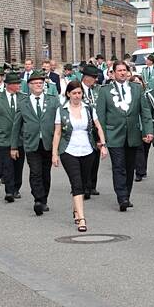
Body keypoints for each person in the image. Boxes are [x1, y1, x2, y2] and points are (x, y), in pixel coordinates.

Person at [96, 61, 154, 211]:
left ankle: (127, 194)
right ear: (113, 73)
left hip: (133, 134)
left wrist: (148, 130)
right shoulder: (105, 91)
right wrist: (101, 139)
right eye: (119, 70)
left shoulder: (136, 89)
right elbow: (100, 116)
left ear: (128, 72)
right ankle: (121, 197)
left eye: (124, 70)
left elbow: (145, 111)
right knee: (118, 166)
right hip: (114, 134)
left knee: (129, 167)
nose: (122, 73)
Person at [52, 80, 108, 232]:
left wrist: (103, 145)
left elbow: (98, 127)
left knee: (83, 183)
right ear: (68, 94)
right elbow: (57, 133)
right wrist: (54, 153)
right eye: (74, 93)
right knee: (76, 183)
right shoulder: (62, 110)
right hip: (68, 150)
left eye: (79, 93)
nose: (77, 96)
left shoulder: (88, 109)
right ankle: (82, 218)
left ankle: (76, 209)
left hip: (88, 149)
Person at [11, 70, 60, 216]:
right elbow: (16, 125)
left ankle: (44, 198)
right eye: (35, 83)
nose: (38, 85)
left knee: (46, 173)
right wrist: (14, 146)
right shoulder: (23, 102)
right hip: (31, 143)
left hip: (48, 142)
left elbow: (59, 123)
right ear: (30, 86)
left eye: (41, 83)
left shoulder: (53, 100)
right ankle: (38, 199)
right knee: (35, 172)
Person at [0, 72, 25, 202]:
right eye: (16, 83)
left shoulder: (23, 98)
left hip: (20, 139)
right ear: (9, 85)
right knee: (7, 165)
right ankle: (9, 190)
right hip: (3, 137)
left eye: (19, 83)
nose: (19, 85)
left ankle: (16, 188)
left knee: (18, 166)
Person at [81, 65, 102, 198]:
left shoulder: (98, 90)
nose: (95, 80)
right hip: (83, 127)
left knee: (96, 157)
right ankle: (85, 186)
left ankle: (92, 184)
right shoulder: (77, 89)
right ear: (86, 77)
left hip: (96, 127)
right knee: (85, 158)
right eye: (94, 78)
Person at [130, 75, 151, 182]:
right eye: (135, 83)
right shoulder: (130, 96)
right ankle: (139, 171)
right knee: (139, 149)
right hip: (135, 127)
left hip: (146, 126)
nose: (138, 85)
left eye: (139, 82)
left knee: (145, 150)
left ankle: (143, 168)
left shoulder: (148, 95)